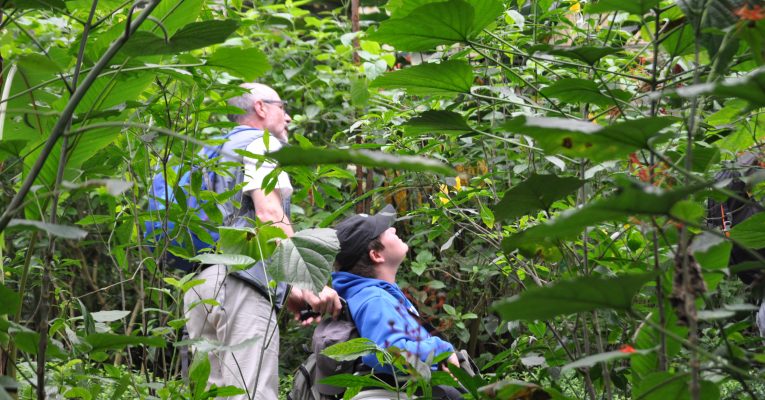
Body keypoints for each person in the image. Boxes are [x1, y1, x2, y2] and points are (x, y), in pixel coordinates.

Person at [183, 82, 340, 400]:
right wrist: (307, 279)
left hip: (198, 285)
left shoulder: (210, 151)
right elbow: (268, 213)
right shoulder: (260, 143)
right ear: (260, 107)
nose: (289, 117)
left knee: (214, 393)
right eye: (283, 107)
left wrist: (287, 289)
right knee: (251, 392)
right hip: (239, 281)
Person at [331, 205, 461, 377]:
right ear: (376, 255)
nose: (392, 228)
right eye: (384, 230)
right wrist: (439, 349)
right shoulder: (375, 299)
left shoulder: (377, 294)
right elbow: (386, 354)